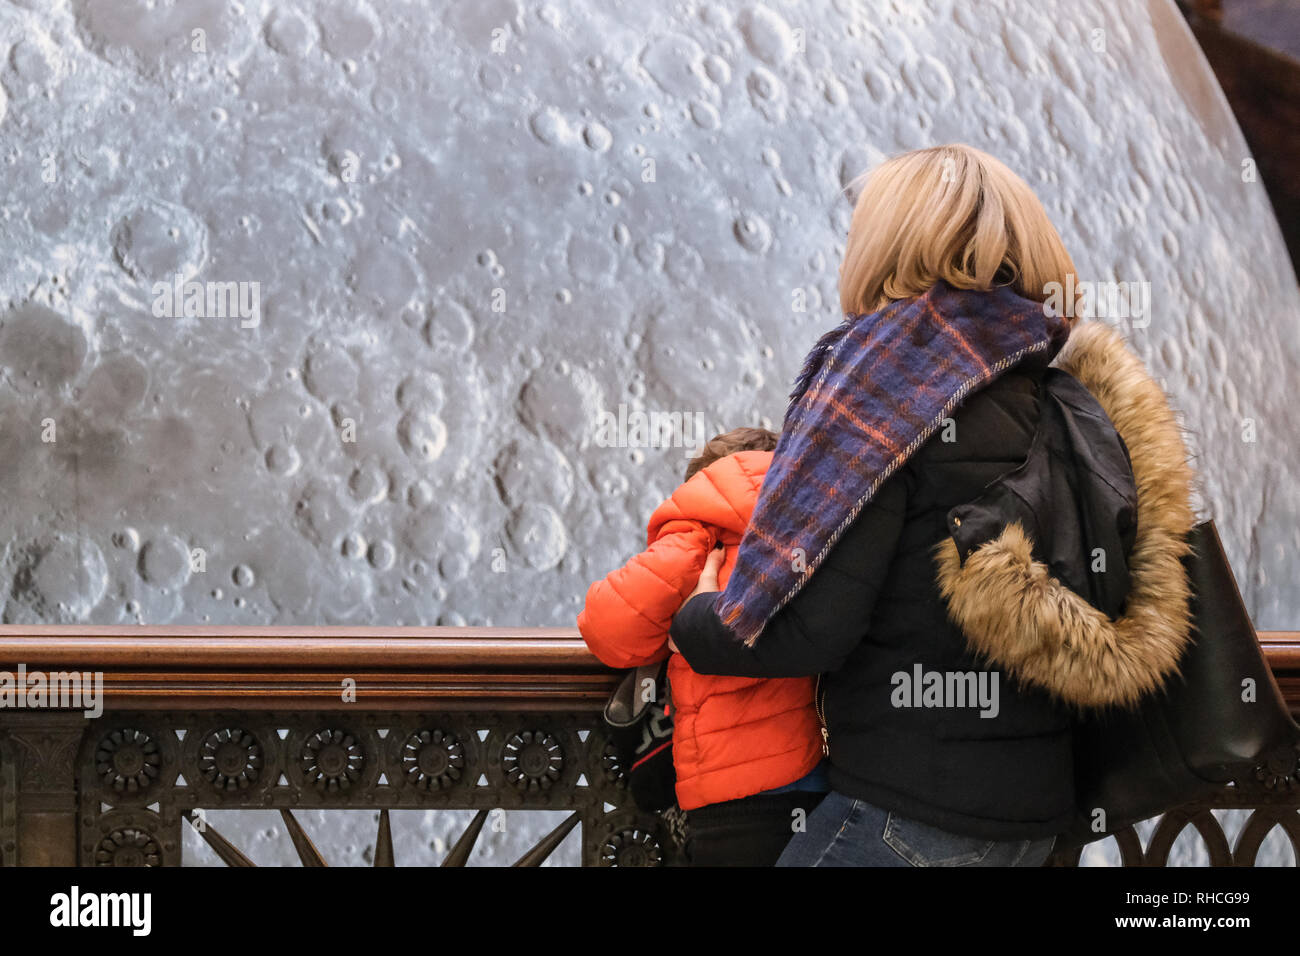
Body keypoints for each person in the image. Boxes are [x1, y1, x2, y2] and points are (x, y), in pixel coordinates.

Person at [669, 144, 1198, 867]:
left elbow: (805, 631)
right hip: (1038, 821)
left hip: (907, 816)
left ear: (883, 243)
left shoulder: (883, 390)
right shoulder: (1052, 386)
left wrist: (696, 617)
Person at [579, 427, 828, 866]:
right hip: (823, 782)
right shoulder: (822, 520)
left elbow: (609, 628)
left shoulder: (701, 531)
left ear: (704, 479)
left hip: (728, 796)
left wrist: (676, 627)